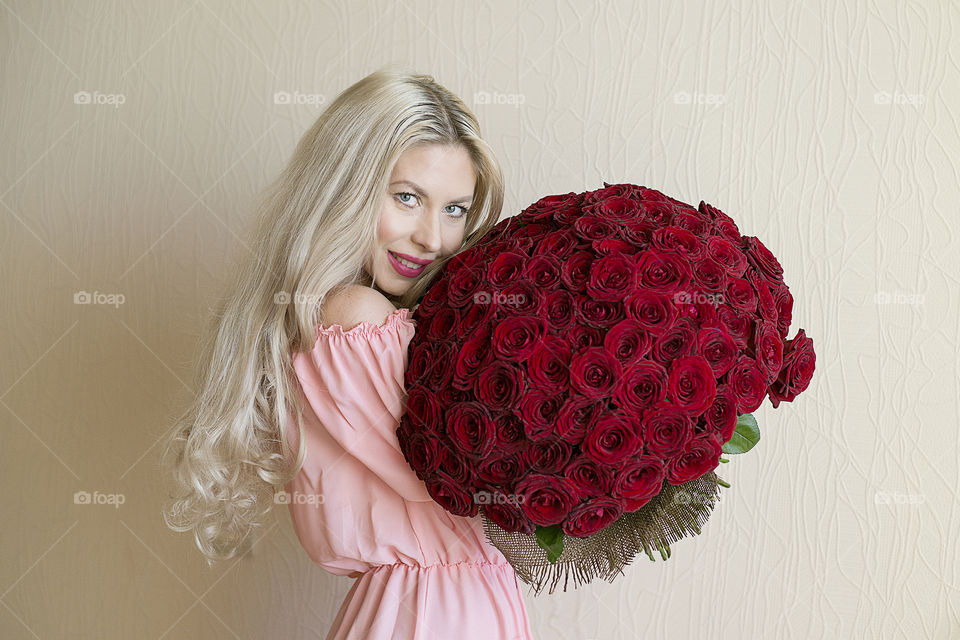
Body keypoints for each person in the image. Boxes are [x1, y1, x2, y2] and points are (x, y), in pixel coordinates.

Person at [160, 67, 536, 639]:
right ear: (345, 188)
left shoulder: (336, 316)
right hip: (432, 614)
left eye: (455, 209)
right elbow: (476, 477)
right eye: (407, 197)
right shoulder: (356, 316)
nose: (433, 238)